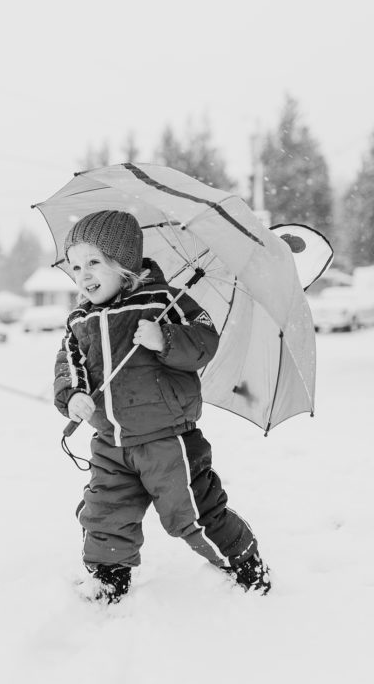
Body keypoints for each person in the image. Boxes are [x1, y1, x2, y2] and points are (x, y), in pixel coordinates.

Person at [52, 210, 270, 603]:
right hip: (112, 441)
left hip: (169, 441)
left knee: (191, 512)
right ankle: (108, 576)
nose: (83, 275)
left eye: (94, 263)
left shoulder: (166, 301)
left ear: (124, 263)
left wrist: (164, 338)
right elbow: (69, 364)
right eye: (76, 266)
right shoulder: (80, 319)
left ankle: (242, 562)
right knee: (105, 511)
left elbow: (205, 342)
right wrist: (73, 395)